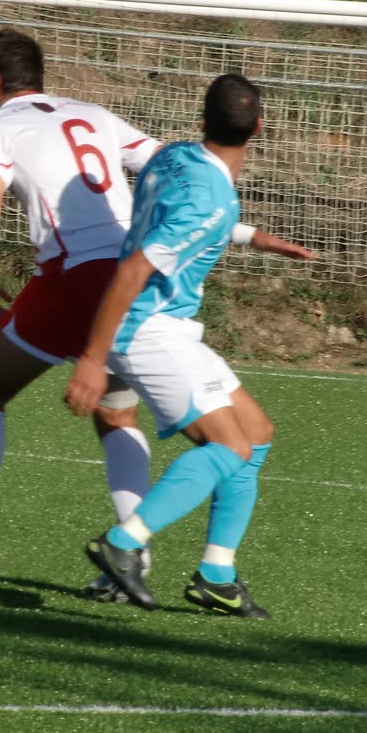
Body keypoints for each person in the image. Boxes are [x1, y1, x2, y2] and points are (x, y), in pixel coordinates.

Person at [0, 28, 160, 588]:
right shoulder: (92, 112)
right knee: (117, 413)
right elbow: (168, 166)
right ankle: (130, 555)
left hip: (76, 278)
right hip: (132, 277)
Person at [65, 73, 315, 617]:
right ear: (260, 128)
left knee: (257, 435)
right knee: (228, 448)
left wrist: (254, 237)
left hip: (169, 324)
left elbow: (183, 219)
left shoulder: (173, 156)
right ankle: (124, 543)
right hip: (146, 328)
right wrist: (91, 357)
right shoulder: (215, 202)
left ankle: (216, 576)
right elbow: (135, 268)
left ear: (202, 122)